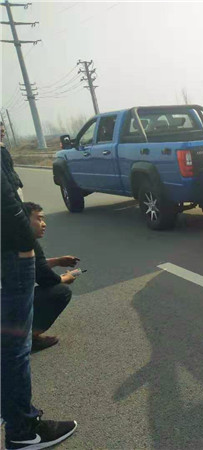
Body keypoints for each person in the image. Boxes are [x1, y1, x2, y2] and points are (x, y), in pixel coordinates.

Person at [1, 146, 77, 448]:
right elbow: (7, 205)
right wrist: (26, 245)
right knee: (13, 349)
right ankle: (23, 432)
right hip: (11, 254)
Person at [23, 202, 79, 351]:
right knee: (60, 291)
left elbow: (31, 265)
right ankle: (28, 338)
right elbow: (45, 278)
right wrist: (66, 278)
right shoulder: (27, 241)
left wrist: (58, 261)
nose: (44, 224)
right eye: (39, 219)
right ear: (22, 219)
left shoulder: (8, 236)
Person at [0, 121, 24, 200]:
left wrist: (18, 183)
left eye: (3, 131)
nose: (3, 134)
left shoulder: (2, 148)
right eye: (1, 131)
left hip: (13, 188)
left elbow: (10, 169)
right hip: (10, 193)